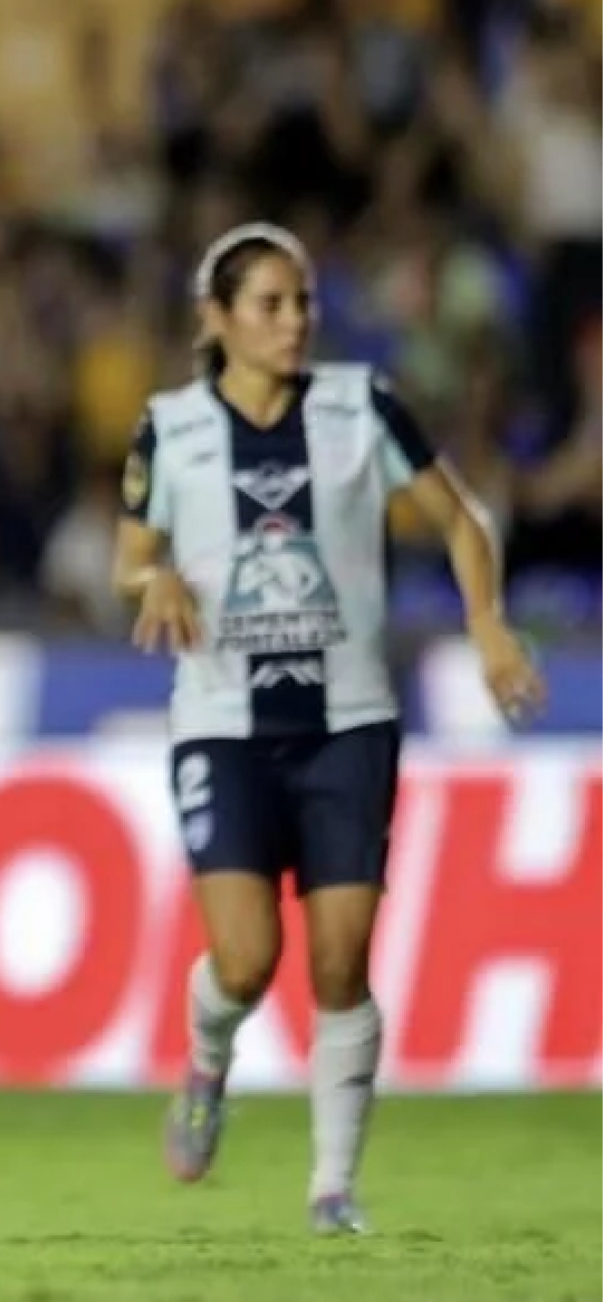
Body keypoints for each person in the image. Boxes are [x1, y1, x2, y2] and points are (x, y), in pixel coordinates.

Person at [116, 223, 547, 1234]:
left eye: (302, 301)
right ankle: (208, 1059)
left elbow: (462, 521)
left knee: (341, 962)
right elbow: (126, 557)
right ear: (215, 320)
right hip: (221, 723)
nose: (294, 320)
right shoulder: (171, 427)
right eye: (269, 304)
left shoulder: (362, 407)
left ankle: (332, 1188)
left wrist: (486, 627)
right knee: (245, 961)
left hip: (348, 718)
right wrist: (159, 574)